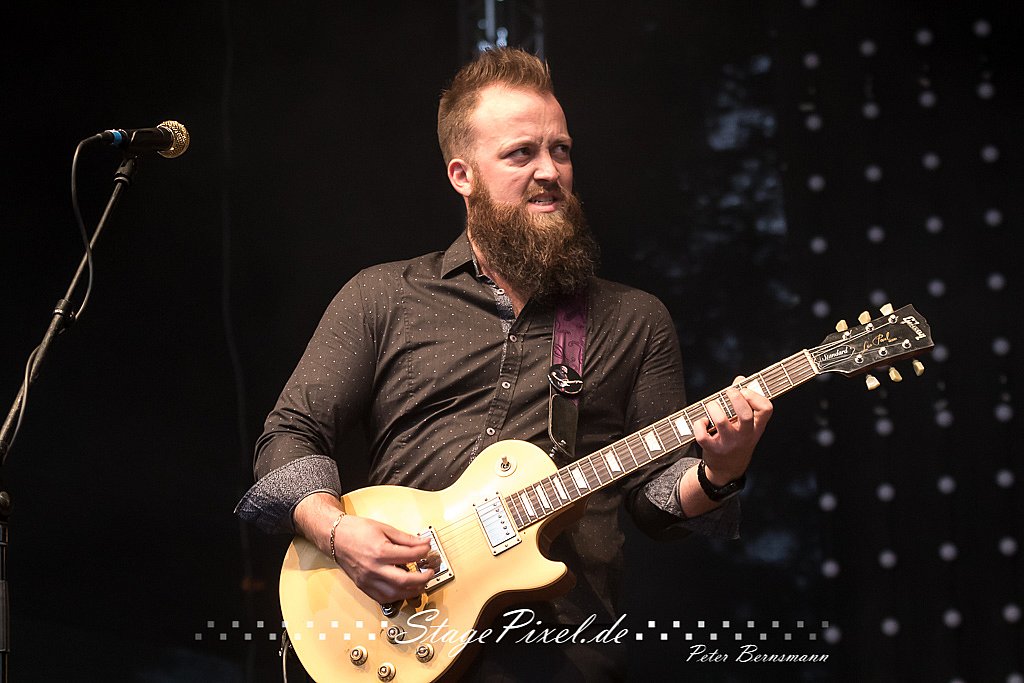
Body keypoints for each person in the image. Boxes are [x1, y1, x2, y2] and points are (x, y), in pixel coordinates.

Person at [236, 47, 772, 681]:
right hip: (395, 625)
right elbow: (289, 436)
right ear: (462, 175)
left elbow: (656, 502)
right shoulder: (383, 295)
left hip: (562, 651)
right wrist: (336, 533)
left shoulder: (635, 318)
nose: (550, 171)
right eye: (522, 154)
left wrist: (721, 470)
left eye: (561, 150)